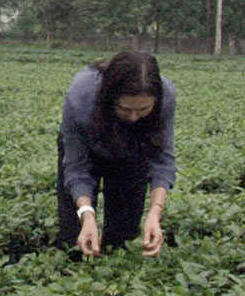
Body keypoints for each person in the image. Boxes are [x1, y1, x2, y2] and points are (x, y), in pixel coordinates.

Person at [57, 51, 176, 257]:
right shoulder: (82, 96)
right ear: (110, 97)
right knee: (74, 241)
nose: (133, 117)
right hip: (88, 143)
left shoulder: (165, 97)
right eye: (125, 109)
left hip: (133, 149)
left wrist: (155, 214)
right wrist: (86, 215)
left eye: (143, 110)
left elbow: (162, 159)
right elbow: (77, 165)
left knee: (123, 237)